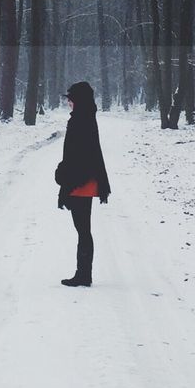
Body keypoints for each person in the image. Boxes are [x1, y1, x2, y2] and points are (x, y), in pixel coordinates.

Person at [55, 81, 110, 287]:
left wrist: (64, 175)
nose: (68, 102)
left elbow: (79, 155)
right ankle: (83, 274)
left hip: (81, 182)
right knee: (83, 229)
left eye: (71, 99)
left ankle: (83, 275)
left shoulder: (80, 120)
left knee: (83, 230)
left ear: (78, 101)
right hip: (84, 180)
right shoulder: (85, 117)